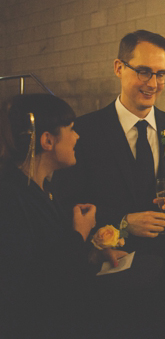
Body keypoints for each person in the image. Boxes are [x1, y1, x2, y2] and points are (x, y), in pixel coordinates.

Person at [52, 30, 165, 339]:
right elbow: (67, 203)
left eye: (161, 73)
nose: (153, 83)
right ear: (119, 67)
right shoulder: (85, 131)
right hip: (109, 279)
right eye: (144, 71)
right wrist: (122, 223)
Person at [0, 93, 124, 338]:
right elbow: (37, 283)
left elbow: (49, 255)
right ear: (47, 140)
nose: (77, 137)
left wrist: (93, 255)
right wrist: (80, 232)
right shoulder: (10, 197)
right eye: (71, 129)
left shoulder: (43, 187)